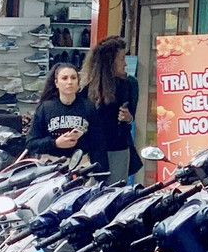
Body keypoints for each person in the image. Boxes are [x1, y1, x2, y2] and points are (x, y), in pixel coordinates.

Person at [81, 36, 139, 179]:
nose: (125, 64)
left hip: (118, 147)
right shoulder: (87, 87)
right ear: (109, 61)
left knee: (116, 191)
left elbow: (132, 115)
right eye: (121, 59)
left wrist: (128, 118)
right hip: (92, 150)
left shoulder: (130, 83)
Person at [24, 63, 96, 159]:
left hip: (81, 162)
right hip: (51, 162)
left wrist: (101, 170)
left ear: (78, 82)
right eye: (64, 78)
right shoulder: (45, 108)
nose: (70, 82)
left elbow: (98, 142)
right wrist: (55, 143)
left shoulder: (88, 107)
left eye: (73, 78)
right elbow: (31, 143)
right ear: (56, 83)